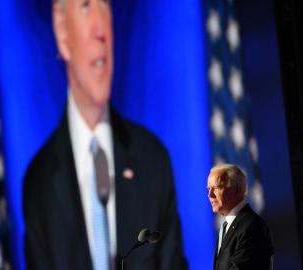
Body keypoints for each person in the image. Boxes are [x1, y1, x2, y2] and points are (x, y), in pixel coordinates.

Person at [23, 0, 188, 269]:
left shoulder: (153, 159)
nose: (101, 28)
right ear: (62, 31)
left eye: (106, 6)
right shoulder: (38, 182)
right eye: (86, 6)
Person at [207, 163, 274, 270]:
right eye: (208, 189)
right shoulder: (226, 227)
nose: (210, 195)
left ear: (237, 189)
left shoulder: (252, 226)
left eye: (216, 188)